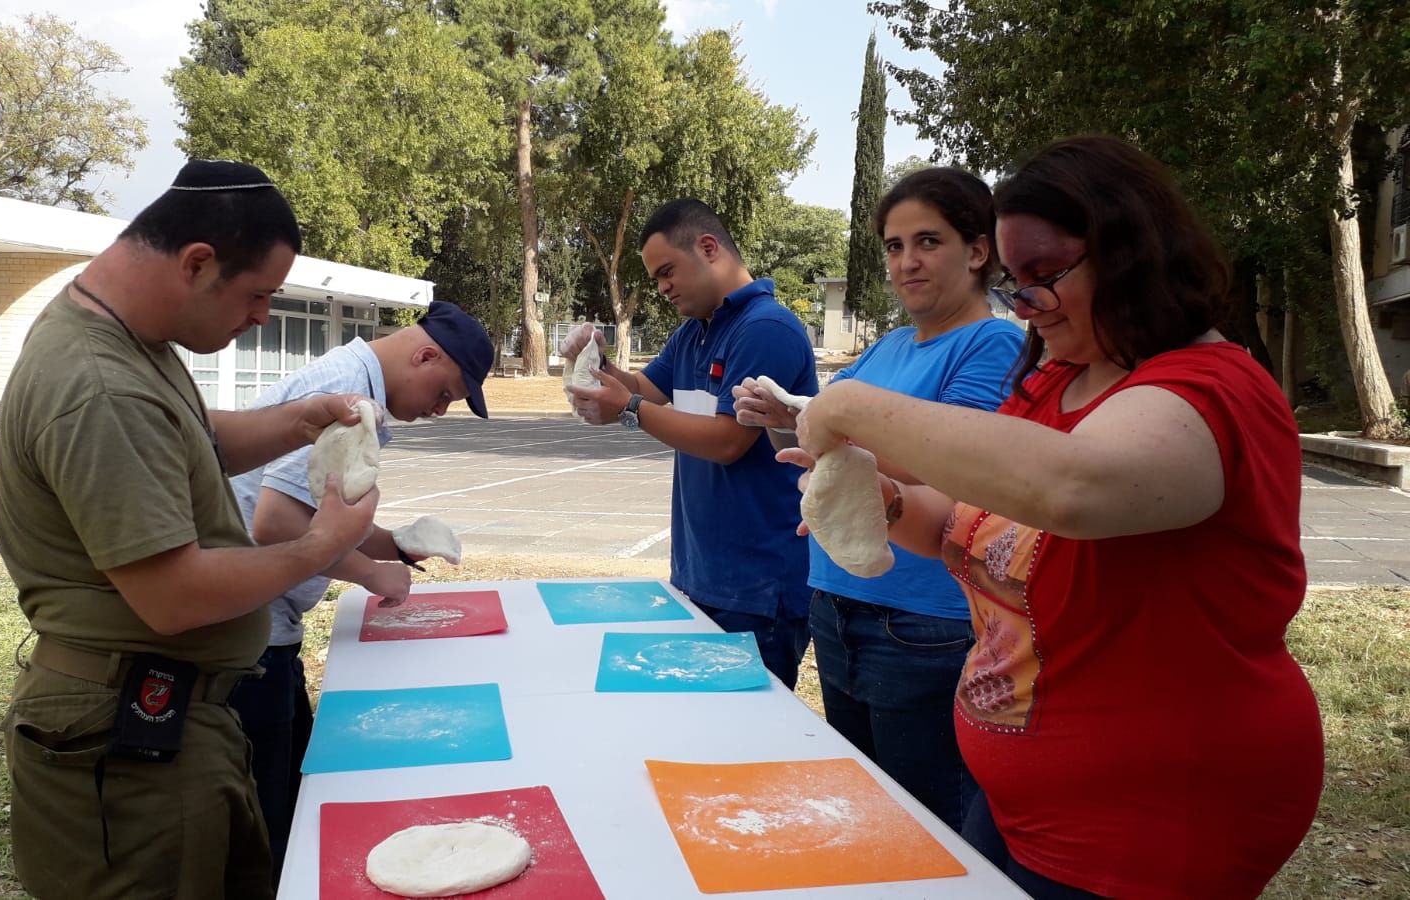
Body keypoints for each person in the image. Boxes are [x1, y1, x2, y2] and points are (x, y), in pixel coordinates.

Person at [789, 136, 1324, 899]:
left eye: (1046, 275)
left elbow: (1068, 490)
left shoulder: (1213, 389)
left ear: (1133, 253)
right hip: (1021, 808)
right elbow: (968, 527)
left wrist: (843, 405)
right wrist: (890, 504)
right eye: (1017, 282)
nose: (1026, 302)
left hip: (1154, 820)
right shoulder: (1055, 380)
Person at [0, 159, 382, 900]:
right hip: (125, 739)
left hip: (161, 718)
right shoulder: (98, 383)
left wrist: (300, 421)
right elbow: (175, 597)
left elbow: (194, 439)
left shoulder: (129, 340)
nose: (264, 315)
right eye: (258, 294)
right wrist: (323, 544)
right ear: (198, 263)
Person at [733, 168, 1024, 833]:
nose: (906, 262)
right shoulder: (890, 345)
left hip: (923, 620)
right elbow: (825, 435)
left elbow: (960, 463)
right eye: (894, 246)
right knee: (865, 816)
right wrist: (777, 414)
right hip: (838, 605)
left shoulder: (996, 341)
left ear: (978, 251)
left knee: (926, 825)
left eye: (928, 241)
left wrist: (829, 423)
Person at [228, 299, 493, 882]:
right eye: (445, 393)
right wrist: (374, 575)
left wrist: (393, 545)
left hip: (266, 629)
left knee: (293, 794)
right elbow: (275, 523)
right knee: (269, 826)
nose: (439, 411)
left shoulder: (352, 382)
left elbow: (317, 518)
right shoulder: (345, 390)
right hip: (245, 639)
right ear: (425, 354)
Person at [564, 198, 819, 688]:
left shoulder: (765, 329)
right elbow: (640, 389)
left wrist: (628, 411)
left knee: (744, 740)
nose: (661, 288)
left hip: (759, 588)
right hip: (701, 575)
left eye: (666, 272)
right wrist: (592, 362)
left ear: (709, 248)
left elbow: (727, 442)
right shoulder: (693, 335)